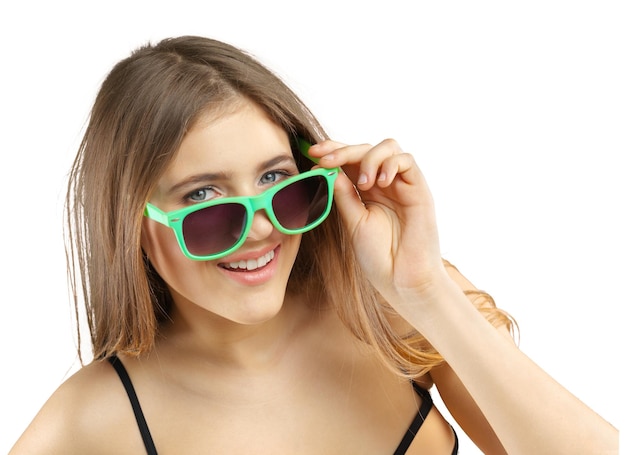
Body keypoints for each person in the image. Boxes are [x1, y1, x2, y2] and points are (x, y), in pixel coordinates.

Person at [9, 35, 617, 455]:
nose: (259, 228)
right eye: (203, 200)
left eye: (276, 180)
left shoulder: (393, 314)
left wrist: (426, 291)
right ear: (134, 224)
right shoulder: (87, 421)